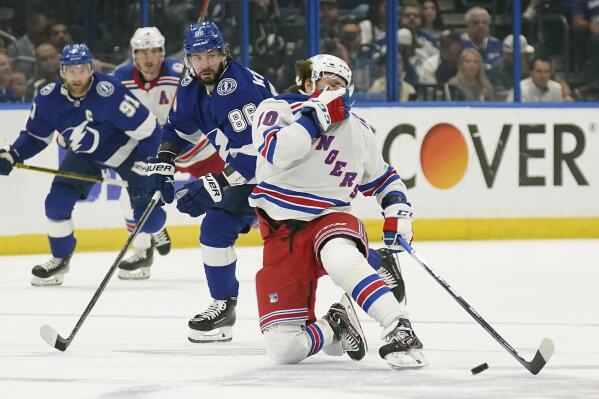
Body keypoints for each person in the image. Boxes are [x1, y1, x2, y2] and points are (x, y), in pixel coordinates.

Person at [249, 54, 427, 369]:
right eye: (327, 84)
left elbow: (384, 179)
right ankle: (337, 324)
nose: (334, 91)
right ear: (307, 84)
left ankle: (399, 326)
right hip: (281, 234)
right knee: (284, 350)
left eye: (340, 86)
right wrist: (313, 118)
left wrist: (398, 212)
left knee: (339, 256)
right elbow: (278, 152)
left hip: (329, 219)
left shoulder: (357, 128)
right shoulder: (275, 108)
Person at [147, 21, 278, 343]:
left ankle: (374, 266)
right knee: (215, 229)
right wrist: (165, 161)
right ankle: (224, 307)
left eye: (211, 55)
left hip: (284, 175)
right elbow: (177, 127)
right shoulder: (192, 84)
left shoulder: (240, 89)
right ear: (188, 59)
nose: (205, 64)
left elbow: (257, 155)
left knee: (310, 244)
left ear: (223, 54)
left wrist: (217, 182)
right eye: (198, 57)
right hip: (253, 175)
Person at [0, 43, 167, 286]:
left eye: (82, 70)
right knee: (56, 203)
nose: (77, 77)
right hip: (87, 155)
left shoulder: (110, 93)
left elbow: (152, 130)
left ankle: (148, 244)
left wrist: (147, 163)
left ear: (91, 68)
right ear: (62, 72)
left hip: (128, 151)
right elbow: (36, 136)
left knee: (149, 220)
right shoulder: (49, 98)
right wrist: (14, 153)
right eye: (71, 71)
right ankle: (60, 258)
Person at [112, 27, 180, 278]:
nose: (148, 58)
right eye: (142, 52)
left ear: (162, 53)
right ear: (133, 54)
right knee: (127, 196)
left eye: (154, 51)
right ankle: (143, 249)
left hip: (180, 145)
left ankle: (154, 227)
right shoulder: (119, 78)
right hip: (141, 148)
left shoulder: (178, 74)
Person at [488, 34, 534, 101]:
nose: (524, 57)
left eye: (524, 54)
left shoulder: (529, 64)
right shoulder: (498, 68)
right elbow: (499, 95)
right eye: (523, 54)